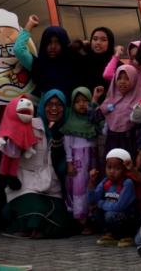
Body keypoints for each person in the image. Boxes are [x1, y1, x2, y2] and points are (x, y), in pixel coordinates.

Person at [2, 91, 74, 239]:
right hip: (26, 183)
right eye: (50, 104)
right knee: (36, 212)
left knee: (61, 218)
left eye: (59, 104)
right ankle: (26, 228)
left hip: (51, 186)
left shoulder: (68, 130)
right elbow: (10, 151)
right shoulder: (29, 125)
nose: (54, 108)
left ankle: (39, 230)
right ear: (42, 105)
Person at [61, 87, 100, 232]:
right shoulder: (70, 122)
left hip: (92, 158)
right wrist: (69, 163)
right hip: (78, 161)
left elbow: (103, 129)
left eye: (85, 101)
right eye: (78, 102)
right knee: (79, 189)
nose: (82, 104)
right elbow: (67, 145)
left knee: (92, 185)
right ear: (73, 104)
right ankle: (82, 221)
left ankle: (92, 217)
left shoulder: (93, 120)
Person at [88, 148, 140, 247]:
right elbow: (92, 200)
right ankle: (111, 234)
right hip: (111, 212)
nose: (112, 171)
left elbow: (119, 207)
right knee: (95, 211)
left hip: (128, 217)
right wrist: (91, 182)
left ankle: (127, 235)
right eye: (109, 167)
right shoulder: (106, 182)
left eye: (117, 168)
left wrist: (100, 203)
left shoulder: (127, 183)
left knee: (110, 214)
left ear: (124, 169)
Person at [14, 15, 75, 97]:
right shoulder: (38, 65)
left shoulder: (73, 63)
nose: (53, 46)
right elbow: (19, 49)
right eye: (49, 42)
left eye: (57, 42)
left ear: (63, 43)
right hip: (45, 109)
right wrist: (29, 25)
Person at [95, 64, 141, 161]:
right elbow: (94, 119)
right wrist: (95, 99)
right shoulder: (110, 100)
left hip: (130, 144)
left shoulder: (139, 103)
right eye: (119, 78)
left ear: (134, 80)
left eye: (127, 78)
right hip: (111, 144)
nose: (122, 82)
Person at [73, 26, 115, 92]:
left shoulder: (115, 64)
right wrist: (79, 44)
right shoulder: (82, 62)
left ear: (110, 43)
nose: (98, 42)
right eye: (95, 39)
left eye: (103, 40)